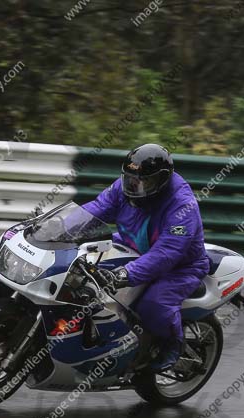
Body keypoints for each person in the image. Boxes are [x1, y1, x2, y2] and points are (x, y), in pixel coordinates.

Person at [82, 143, 210, 371]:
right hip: (131, 247)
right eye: (131, 179)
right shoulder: (122, 187)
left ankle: (173, 345)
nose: (134, 187)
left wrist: (125, 273)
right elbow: (96, 209)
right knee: (81, 263)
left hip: (180, 267)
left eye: (144, 182)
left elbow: (167, 253)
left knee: (154, 304)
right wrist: (60, 225)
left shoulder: (182, 204)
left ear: (161, 181)